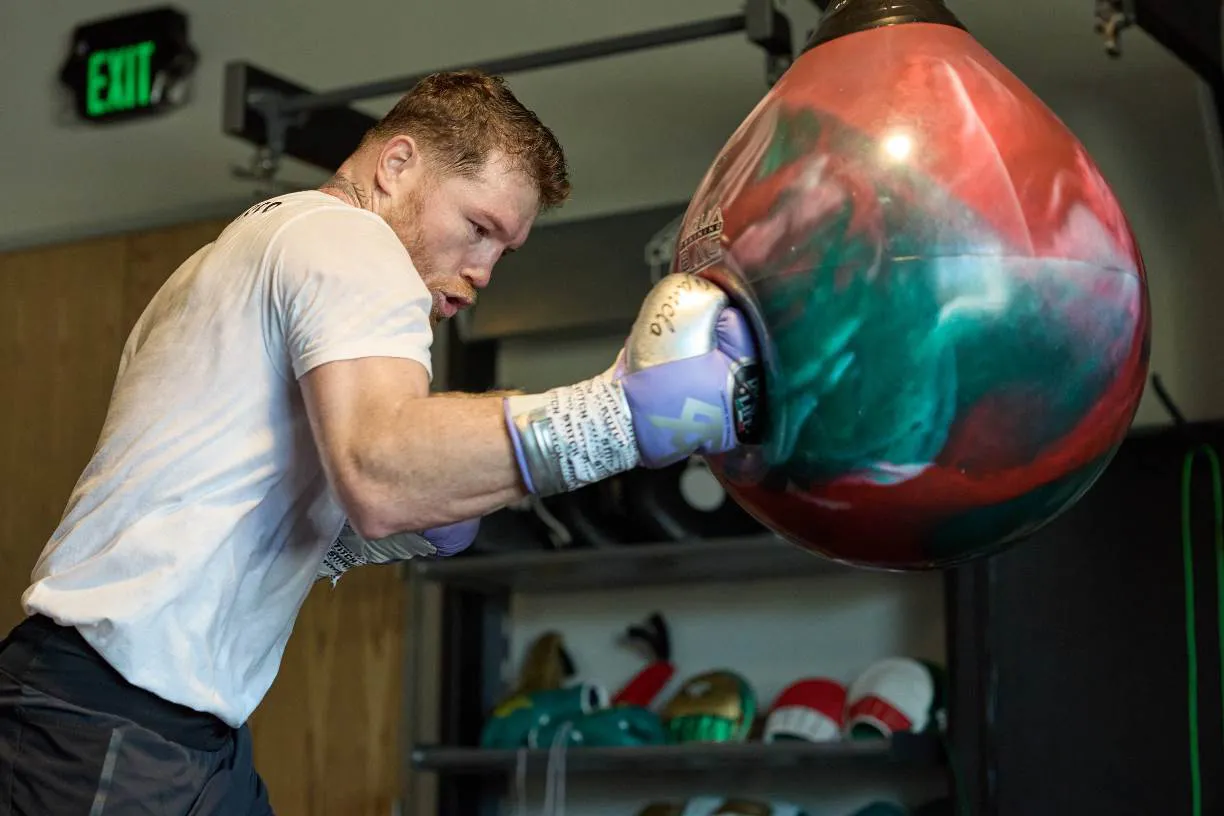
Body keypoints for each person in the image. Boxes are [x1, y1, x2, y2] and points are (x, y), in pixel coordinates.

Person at [0, 70, 757, 814]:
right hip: (110, 720)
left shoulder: (245, 251)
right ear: (396, 165)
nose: (483, 271)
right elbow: (380, 471)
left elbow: (212, 497)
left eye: (505, 251)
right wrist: (623, 416)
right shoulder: (350, 239)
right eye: (478, 227)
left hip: (166, 724)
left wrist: (372, 530)